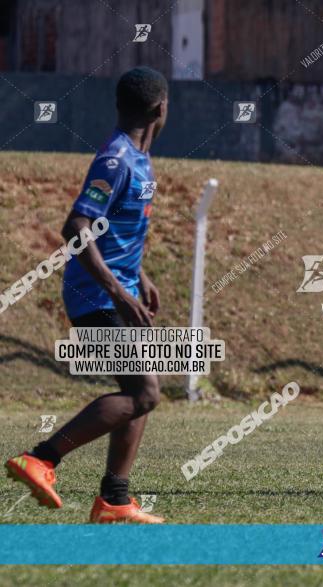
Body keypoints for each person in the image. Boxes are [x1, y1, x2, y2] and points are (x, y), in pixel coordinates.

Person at [5, 66, 169, 523]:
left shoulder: (139, 158)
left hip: (119, 289)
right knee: (144, 394)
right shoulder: (116, 159)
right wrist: (118, 292)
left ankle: (115, 499)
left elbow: (115, 231)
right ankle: (41, 458)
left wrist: (141, 276)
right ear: (161, 108)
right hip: (96, 297)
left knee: (140, 389)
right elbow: (76, 227)